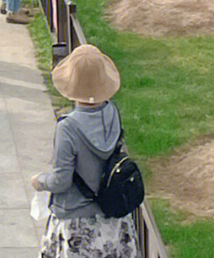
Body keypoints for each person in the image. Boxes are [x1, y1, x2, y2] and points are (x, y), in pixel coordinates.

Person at [31, 44, 139, 258]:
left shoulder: (68, 128)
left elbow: (61, 181)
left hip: (77, 224)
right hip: (113, 217)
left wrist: (39, 181)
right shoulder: (112, 114)